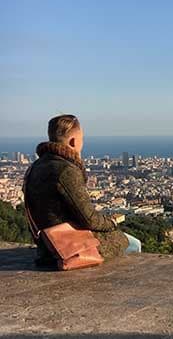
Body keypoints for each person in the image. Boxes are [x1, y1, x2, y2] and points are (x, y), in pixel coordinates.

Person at [23, 114, 141, 267]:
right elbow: (89, 218)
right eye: (82, 139)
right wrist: (112, 223)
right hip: (70, 246)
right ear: (73, 142)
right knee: (133, 243)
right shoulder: (66, 171)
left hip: (46, 245)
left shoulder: (36, 166)